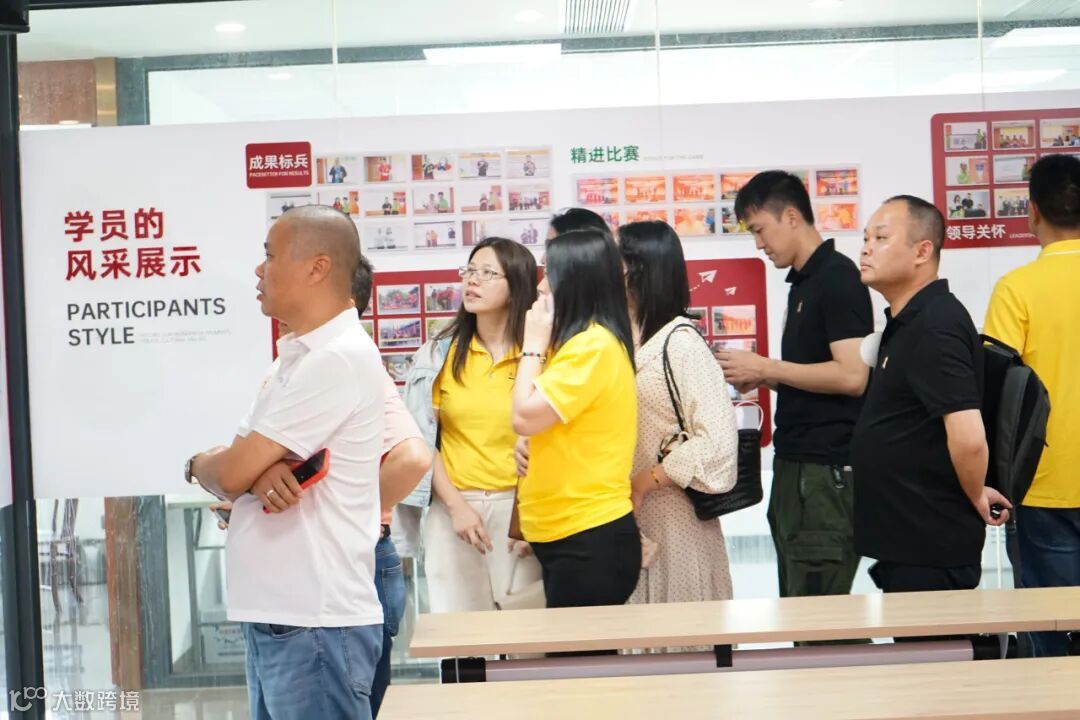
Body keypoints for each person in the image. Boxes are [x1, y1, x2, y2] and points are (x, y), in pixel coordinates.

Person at [185, 206, 385, 719]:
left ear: (317, 267)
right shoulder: (296, 358)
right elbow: (241, 466)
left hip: (314, 620)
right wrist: (247, 470)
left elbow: (230, 472)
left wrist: (202, 463)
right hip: (287, 617)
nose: (259, 270)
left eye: (270, 256)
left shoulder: (335, 357)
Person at [719, 171, 872, 601]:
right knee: (800, 608)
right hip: (799, 467)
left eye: (760, 230)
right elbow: (815, 377)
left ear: (790, 216)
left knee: (817, 614)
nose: (759, 244)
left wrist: (768, 367)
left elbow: (852, 376)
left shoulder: (838, 279)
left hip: (823, 472)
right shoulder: (804, 282)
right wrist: (763, 375)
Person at [853, 195, 1011, 595]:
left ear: (922, 251)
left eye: (881, 238)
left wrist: (975, 493)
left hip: (930, 547)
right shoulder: (909, 321)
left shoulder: (936, 323)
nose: (866, 248)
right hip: (910, 543)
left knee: (936, 637)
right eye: (866, 238)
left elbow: (969, 438)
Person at [511, 229, 641, 609]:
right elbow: (535, 421)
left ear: (576, 281)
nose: (541, 286)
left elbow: (522, 415)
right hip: (565, 531)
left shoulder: (592, 346)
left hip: (588, 535)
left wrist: (532, 345)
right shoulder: (577, 344)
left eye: (549, 273)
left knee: (580, 650)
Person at [984, 154, 1080, 657]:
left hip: (1041, 483)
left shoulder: (1016, 288)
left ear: (1033, 210)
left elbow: (996, 391)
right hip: (1042, 490)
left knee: (1049, 631)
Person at [619, 221, 739, 608]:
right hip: (633, 519)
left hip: (676, 518)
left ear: (638, 269)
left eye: (615, 258)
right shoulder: (624, 339)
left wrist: (646, 481)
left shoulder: (681, 343)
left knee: (679, 629)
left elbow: (717, 443)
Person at [419, 238, 543, 612]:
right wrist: (456, 507)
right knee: (458, 631)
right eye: (470, 270)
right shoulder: (440, 353)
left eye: (488, 273)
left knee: (523, 629)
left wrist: (536, 517)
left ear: (517, 286)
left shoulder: (538, 354)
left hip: (519, 510)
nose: (473, 280)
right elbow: (423, 438)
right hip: (453, 508)